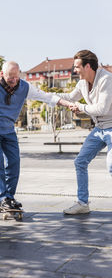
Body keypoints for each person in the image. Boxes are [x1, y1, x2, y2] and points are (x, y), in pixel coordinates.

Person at [0, 61, 72, 211]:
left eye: (17, 77)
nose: (14, 81)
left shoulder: (24, 86)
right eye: (10, 77)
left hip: (8, 129)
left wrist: (67, 104)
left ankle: (9, 197)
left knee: (14, 162)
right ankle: (2, 197)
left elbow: (46, 96)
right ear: (2, 74)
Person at [58, 50, 112, 214]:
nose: (74, 70)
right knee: (80, 162)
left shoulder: (106, 79)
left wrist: (80, 107)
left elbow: (102, 108)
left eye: (77, 66)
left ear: (87, 66)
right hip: (99, 129)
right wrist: (46, 96)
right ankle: (83, 203)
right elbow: (70, 97)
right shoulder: (82, 83)